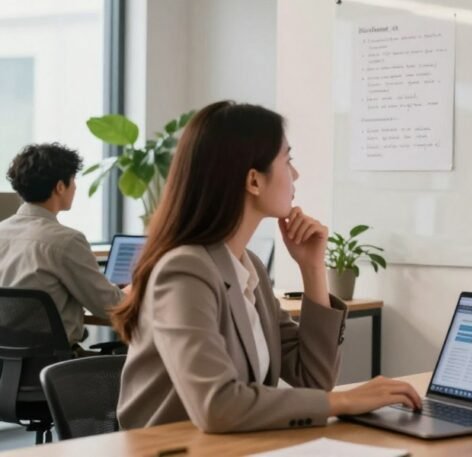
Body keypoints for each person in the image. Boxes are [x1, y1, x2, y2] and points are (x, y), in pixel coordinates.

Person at [115, 102, 421, 432]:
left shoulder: (250, 270)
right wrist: (345, 402)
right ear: (254, 181)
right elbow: (216, 405)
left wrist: (312, 269)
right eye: (287, 161)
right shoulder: (184, 271)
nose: (296, 175)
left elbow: (313, 379)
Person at [0, 143, 124, 348]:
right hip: (56, 367)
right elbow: (110, 307)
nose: (75, 187)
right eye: (73, 180)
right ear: (59, 187)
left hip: (6, 369)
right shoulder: (66, 241)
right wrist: (133, 292)